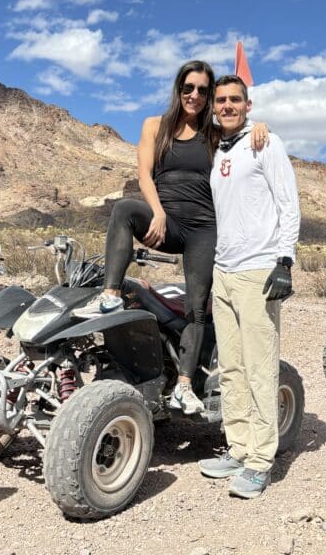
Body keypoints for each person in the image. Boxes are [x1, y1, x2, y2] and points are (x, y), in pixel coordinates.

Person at [73, 60, 268, 415]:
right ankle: (111, 295)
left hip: (205, 230)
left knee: (197, 309)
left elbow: (238, 123)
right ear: (178, 89)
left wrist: (260, 126)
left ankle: (183, 386)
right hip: (166, 222)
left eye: (203, 91)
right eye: (188, 88)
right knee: (124, 211)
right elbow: (144, 175)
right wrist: (159, 211)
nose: (195, 95)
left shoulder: (213, 134)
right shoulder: (155, 126)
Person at [198, 75, 300, 499]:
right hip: (223, 271)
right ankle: (239, 449)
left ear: (248, 103)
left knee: (260, 368)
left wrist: (285, 261)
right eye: (220, 100)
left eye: (234, 100)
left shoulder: (266, 144)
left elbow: (287, 202)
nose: (226, 105)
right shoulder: (218, 148)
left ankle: (260, 461)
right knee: (233, 368)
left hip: (258, 271)